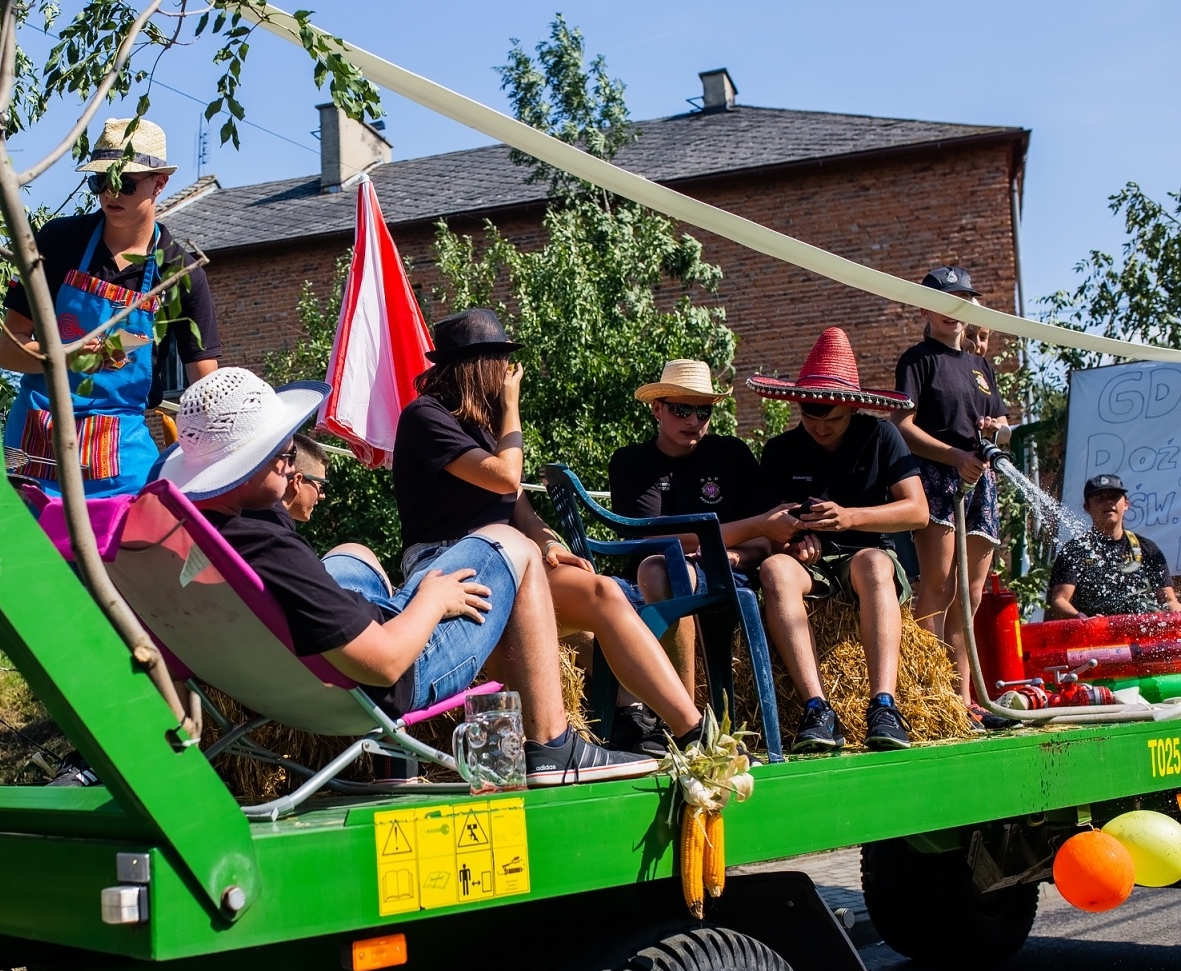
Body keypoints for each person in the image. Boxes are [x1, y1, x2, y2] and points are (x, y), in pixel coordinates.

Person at [155, 367, 656, 786]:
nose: (291, 467)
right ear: (249, 465)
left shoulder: (200, 534)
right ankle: (552, 745)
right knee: (514, 547)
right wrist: (433, 600)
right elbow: (385, 663)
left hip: (283, 677)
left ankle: (395, 760)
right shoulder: (270, 547)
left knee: (354, 552)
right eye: (283, 455)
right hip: (384, 676)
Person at [392, 308, 707, 757]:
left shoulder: (485, 428)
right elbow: (505, 476)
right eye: (502, 363)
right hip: (447, 564)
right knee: (511, 639)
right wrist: (512, 408)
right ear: (479, 365)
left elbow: (520, 506)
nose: (508, 374)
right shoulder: (425, 417)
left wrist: (549, 543)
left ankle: (693, 734)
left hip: (512, 560)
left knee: (602, 592)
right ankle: (549, 746)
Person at [0, 118, 221, 497]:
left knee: (130, 546)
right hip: (33, 440)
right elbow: (7, 351)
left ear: (160, 183)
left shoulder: (179, 273)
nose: (111, 192)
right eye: (101, 181)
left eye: (126, 182)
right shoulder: (58, 241)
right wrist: (63, 357)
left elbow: (207, 387)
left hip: (119, 453)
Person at [748, 328, 929, 752]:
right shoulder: (778, 451)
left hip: (866, 556)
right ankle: (817, 709)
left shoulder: (882, 435)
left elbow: (917, 511)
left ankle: (884, 705)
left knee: (874, 564)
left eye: (832, 420)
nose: (820, 428)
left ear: (853, 408)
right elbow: (768, 529)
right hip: (808, 564)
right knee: (775, 570)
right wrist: (791, 545)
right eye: (811, 418)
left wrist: (850, 518)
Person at [608, 359, 802, 700]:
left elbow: (767, 539)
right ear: (657, 408)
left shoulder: (732, 454)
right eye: (682, 409)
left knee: (665, 572)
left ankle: (681, 720)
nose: (693, 421)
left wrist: (733, 552)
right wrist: (751, 528)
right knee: (644, 575)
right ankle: (639, 713)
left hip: (726, 575)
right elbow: (655, 539)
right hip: (644, 579)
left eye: (703, 412)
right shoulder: (631, 461)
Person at [891, 267, 1012, 728]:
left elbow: (1001, 422)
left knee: (972, 594)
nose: (952, 311)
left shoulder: (981, 366)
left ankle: (965, 701)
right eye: (943, 301)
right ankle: (932, 695)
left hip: (980, 481)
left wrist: (994, 429)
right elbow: (902, 426)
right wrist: (954, 454)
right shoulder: (917, 360)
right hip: (937, 478)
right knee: (938, 587)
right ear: (924, 308)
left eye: (961, 300)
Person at [1048, 474, 1181, 619]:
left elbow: (1168, 600)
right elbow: (1059, 601)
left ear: (1126, 504)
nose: (1108, 503)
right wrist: (1082, 619)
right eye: (1100, 498)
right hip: (1096, 636)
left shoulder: (1147, 548)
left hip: (1140, 636)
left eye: (1114, 497)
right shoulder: (1075, 550)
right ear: (1087, 507)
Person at [282, 433, 329, 524]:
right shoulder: (277, 535)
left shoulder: (249, 514)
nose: (322, 496)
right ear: (297, 481)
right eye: (322, 485)